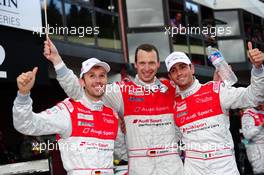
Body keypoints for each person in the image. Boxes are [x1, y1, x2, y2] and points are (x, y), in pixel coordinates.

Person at [43, 39, 184, 175]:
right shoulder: (121, 90)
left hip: (171, 166)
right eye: (142, 63)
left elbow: (193, 98)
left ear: (158, 64)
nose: (147, 68)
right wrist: (57, 61)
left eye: (151, 63)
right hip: (140, 167)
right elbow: (79, 92)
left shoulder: (171, 89)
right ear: (135, 64)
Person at [165, 42, 264, 175]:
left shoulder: (216, 90)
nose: (179, 73)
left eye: (182, 67)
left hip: (224, 167)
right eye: (173, 70)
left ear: (192, 68)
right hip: (193, 169)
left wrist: (258, 68)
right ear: (170, 77)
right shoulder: (173, 105)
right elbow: (170, 139)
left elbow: (254, 96)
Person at [12, 58, 119, 175]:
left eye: (102, 76)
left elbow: (123, 150)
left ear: (106, 79)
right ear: (82, 82)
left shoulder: (112, 114)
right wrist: (23, 95)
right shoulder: (68, 110)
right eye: (92, 76)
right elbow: (26, 125)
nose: (98, 80)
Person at [242, 102, 264, 175]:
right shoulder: (248, 115)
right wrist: (261, 125)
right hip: (256, 149)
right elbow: (247, 135)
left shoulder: (262, 112)